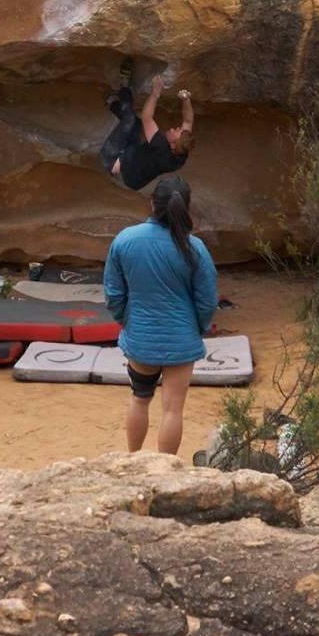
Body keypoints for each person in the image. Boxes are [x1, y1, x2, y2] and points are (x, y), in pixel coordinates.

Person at [103, 173, 220, 456]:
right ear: (186, 208)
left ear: (152, 203)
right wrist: (198, 328)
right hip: (181, 341)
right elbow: (207, 300)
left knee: (139, 398)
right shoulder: (195, 249)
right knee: (173, 409)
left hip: (141, 338)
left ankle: (133, 461)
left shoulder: (125, 240)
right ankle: (166, 473)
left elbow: (114, 294)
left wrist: (126, 321)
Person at [100, 66, 195, 191]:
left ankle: (124, 85)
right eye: (178, 129)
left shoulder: (160, 147)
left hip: (114, 160)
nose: (175, 128)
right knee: (137, 124)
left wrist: (155, 94)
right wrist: (186, 99)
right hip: (133, 167)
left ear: (172, 145)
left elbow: (147, 117)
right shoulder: (181, 152)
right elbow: (188, 120)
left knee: (130, 119)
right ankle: (111, 103)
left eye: (176, 131)